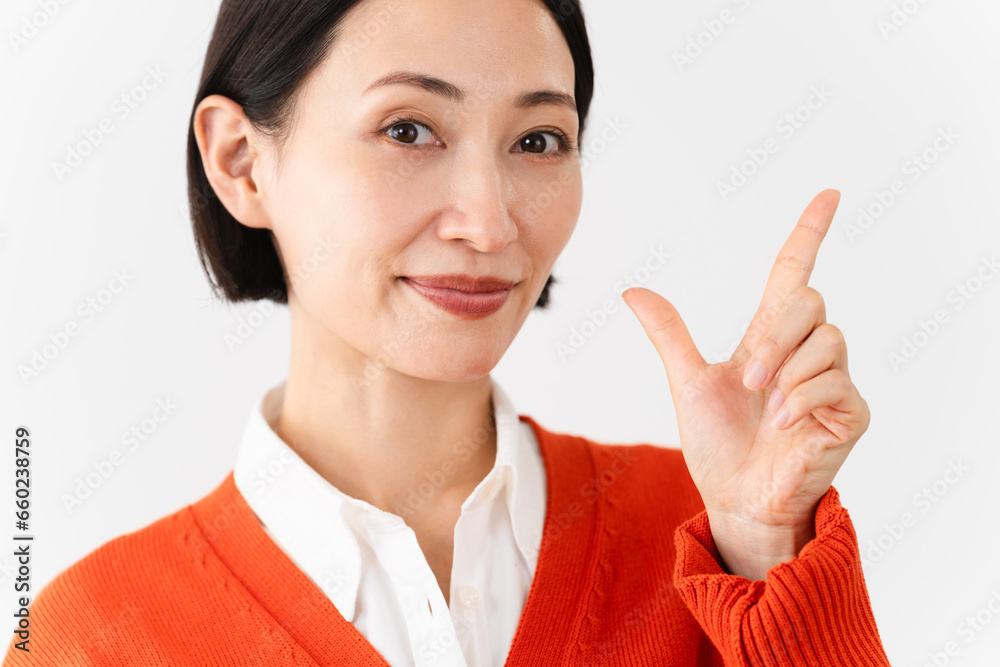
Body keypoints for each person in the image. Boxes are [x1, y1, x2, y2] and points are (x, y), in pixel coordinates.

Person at [5, 0, 893, 664]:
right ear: (242, 161)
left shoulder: (710, 534)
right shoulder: (90, 639)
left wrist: (766, 554)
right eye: (409, 129)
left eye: (538, 141)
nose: (490, 222)